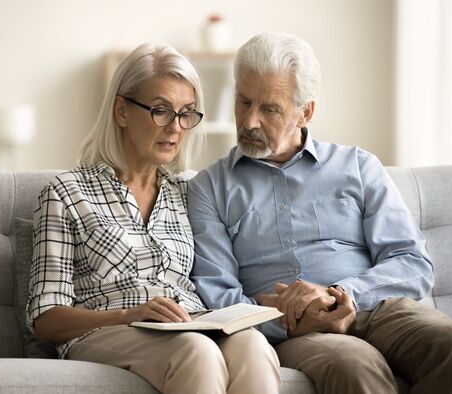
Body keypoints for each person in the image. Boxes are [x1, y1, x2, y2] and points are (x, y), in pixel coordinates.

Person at [188, 32, 452, 394]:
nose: (249, 121)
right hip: (292, 328)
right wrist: (291, 319)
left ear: (305, 111)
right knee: (354, 364)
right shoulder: (209, 187)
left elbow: (412, 262)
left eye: (269, 109)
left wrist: (340, 293)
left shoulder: (358, 166)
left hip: (375, 308)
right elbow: (218, 293)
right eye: (243, 101)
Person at [26, 42, 281, 394]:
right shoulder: (67, 192)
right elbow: (46, 318)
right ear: (121, 111)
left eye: (187, 113)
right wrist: (127, 315)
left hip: (191, 323)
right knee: (197, 353)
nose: (175, 127)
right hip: (107, 330)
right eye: (161, 110)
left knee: (252, 345)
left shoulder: (191, 191)